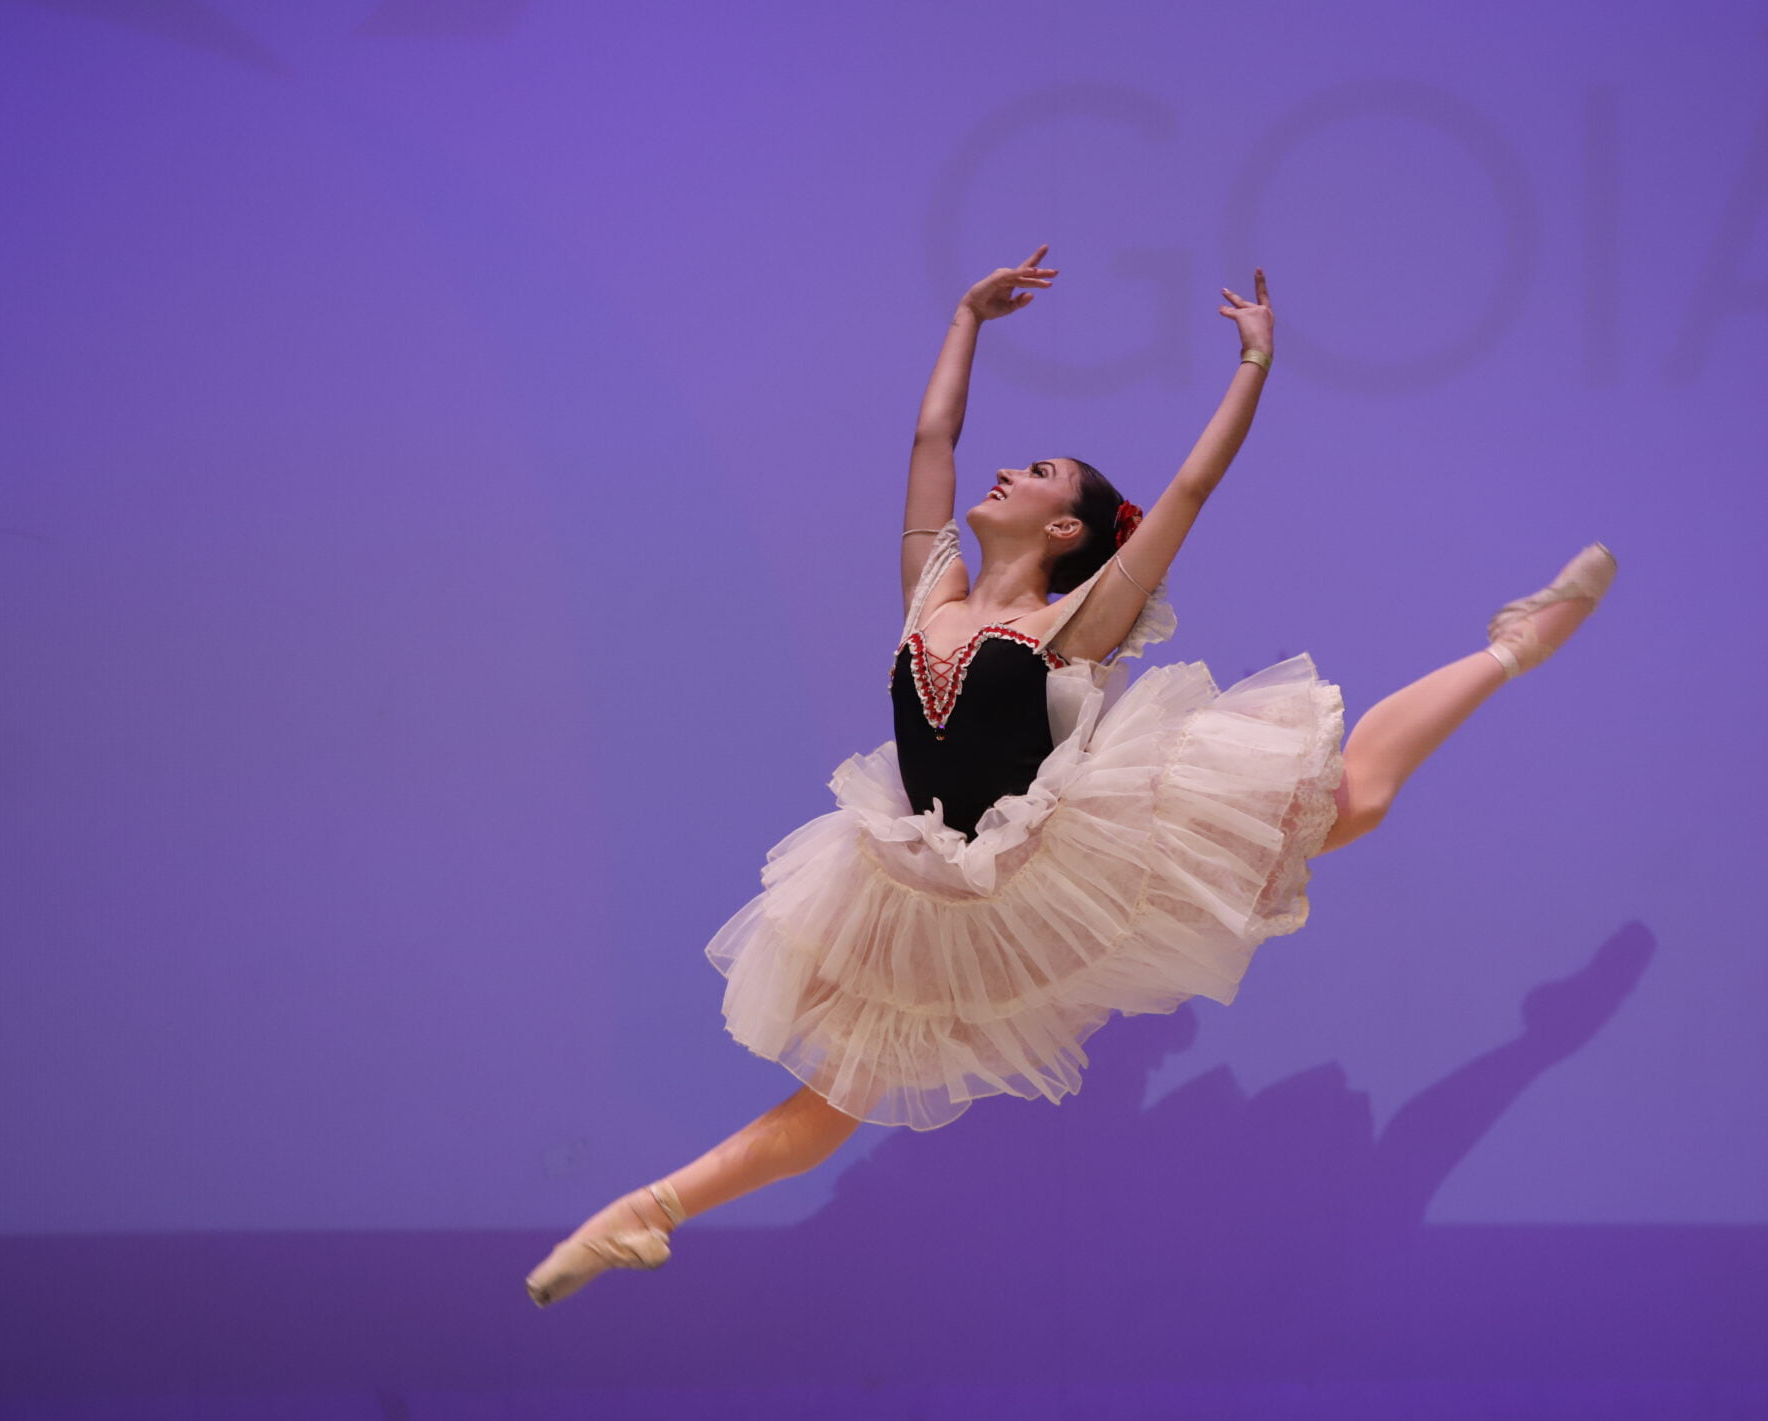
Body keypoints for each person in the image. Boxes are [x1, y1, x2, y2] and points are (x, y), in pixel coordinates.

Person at [525, 246, 1615, 1305]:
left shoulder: (1073, 624)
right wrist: (965, 321)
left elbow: (1191, 486)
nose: (1004, 470)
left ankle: (1510, 646)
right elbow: (931, 436)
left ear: (1064, 528)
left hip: (1065, 851)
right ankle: (643, 1212)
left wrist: (1254, 365)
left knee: (1357, 799)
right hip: (928, 880)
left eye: (1038, 472)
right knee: (843, 1092)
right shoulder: (931, 590)